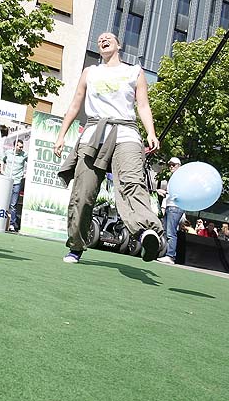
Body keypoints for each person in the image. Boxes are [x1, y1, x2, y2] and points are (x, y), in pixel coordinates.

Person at [55, 32, 163, 264]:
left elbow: (143, 105)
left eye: (108, 38)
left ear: (119, 45)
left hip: (126, 134)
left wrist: (151, 133)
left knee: (132, 183)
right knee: (83, 192)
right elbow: (75, 105)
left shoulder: (134, 72)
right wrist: (61, 135)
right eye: (100, 39)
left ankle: (146, 232)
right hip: (94, 135)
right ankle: (76, 246)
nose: (103, 40)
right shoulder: (90, 72)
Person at [156, 156, 182, 264]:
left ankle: (170, 255)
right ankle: (167, 254)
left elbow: (178, 193)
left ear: (179, 166)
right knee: (167, 232)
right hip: (170, 206)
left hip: (175, 207)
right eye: (170, 165)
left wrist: (164, 192)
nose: (171, 167)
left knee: (171, 233)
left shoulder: (180, 178)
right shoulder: (174, 178)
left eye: (173, 165)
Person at [2, 138, 28, 231]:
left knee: (13, 204)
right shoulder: (8, 153)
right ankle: (2, 220)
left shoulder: (24, 155)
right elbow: (3, 160)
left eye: (22, 147)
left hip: (17, 181)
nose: (21, 148)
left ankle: (12, 224)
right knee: (4, 201)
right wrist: (3, 170)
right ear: (15, 146)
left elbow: (31, 163)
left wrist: (25, 174)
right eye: (19, 147)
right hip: (7, 179)